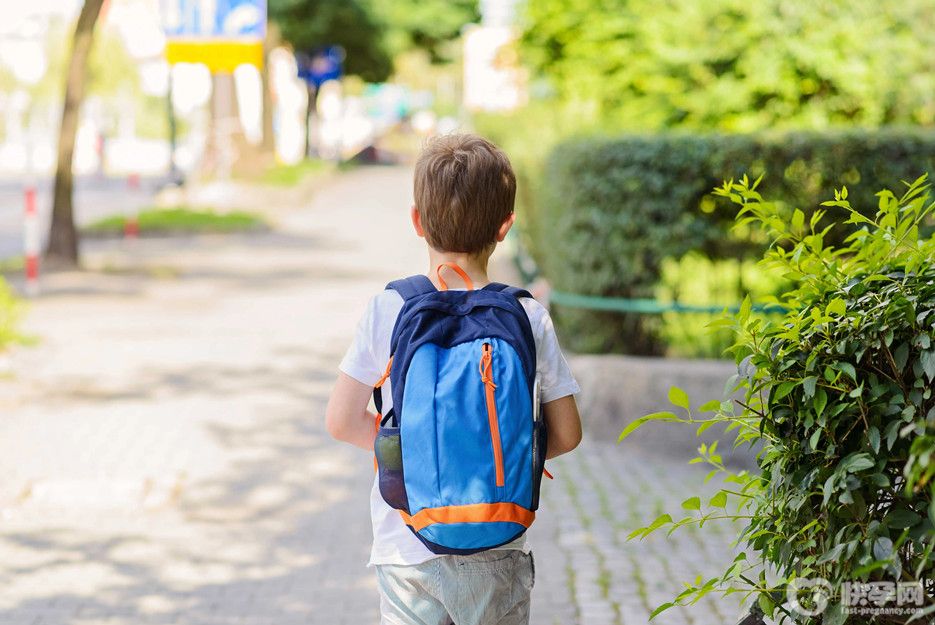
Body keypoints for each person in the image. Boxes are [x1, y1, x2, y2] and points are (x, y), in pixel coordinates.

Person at [325, 133, 582, 625]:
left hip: (406, 545)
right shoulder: (527, 315)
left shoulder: (390, 308)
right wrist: (491, 449)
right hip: (496, 539)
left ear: (417, 221)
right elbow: (567, 434)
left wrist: (419, 454)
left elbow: (340, 421)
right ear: (505, 226)